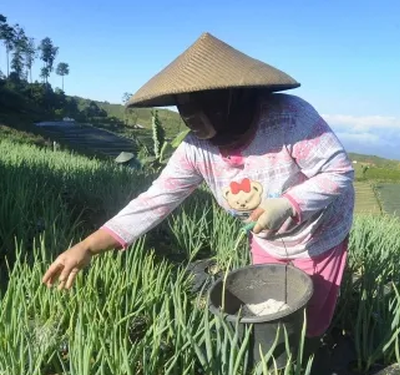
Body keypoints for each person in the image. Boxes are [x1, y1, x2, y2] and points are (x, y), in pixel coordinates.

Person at [42, 32, 355, 344]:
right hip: (268, 239)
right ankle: (275, 367)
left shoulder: (289, 119)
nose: (192, 116)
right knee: (269, 310)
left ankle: (306, 361)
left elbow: (338, 173)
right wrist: (86, 247)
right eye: (185, 106)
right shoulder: (197, 149)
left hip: (318, 233)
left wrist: (287, 204)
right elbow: (154, 201)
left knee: (308, 315)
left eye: (203, 104)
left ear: (233, 98)